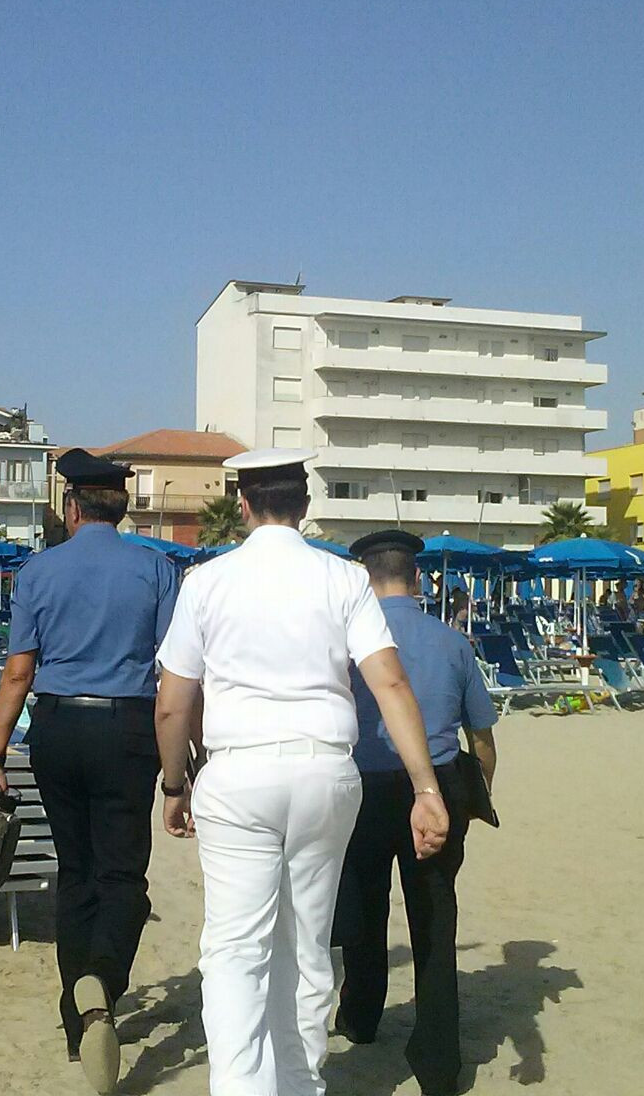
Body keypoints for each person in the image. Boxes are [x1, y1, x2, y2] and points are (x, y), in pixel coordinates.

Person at [154, 448, 450, 1096]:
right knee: (307, 943)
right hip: (325, 771)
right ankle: (300, 1082)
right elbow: (392, 682)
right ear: (306, 506)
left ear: (242, 505)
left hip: (236, 773)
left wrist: (175, 784)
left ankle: (242, 1087)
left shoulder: (205, 582)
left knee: (236, 949)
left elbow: (174, 700)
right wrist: (426, 787)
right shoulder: (344, 579)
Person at [0, 449, 179, 1095]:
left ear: (70, 506)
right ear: (123, 506)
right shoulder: (158, 567)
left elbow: (17, 671)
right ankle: (104, 983)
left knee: (77, 873)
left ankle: (76, 1021)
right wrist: (183, 763)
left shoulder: (39, 570)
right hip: (128, 727)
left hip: (57, 728)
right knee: (124, 875)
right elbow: (174, 673)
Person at [332, 530, 497, 1096]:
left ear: (363, 578)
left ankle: (360, 1014)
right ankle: (437, 1057)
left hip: (365, 785)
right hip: (438, 783)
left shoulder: (347, 641)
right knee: (434, 916)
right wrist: (473, 800)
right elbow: (483, 737)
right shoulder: (452, 643)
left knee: (363, 902)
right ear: (418, 578)